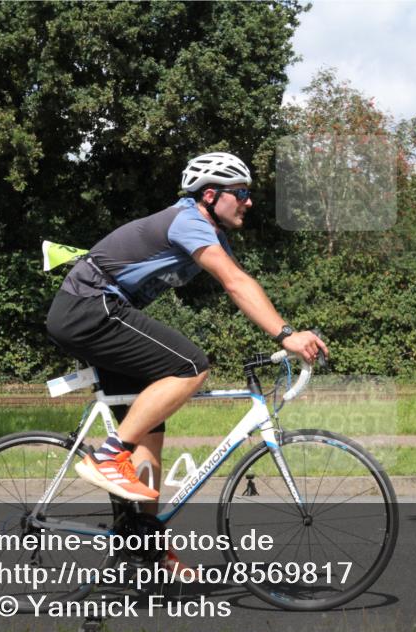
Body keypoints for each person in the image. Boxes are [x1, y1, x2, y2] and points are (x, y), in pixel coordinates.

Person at [46, 151, 328, 511]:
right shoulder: (187, 221)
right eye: (241, 193)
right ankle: (108, 457)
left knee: (149, 429)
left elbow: (241, 285)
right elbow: (235, 283)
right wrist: (287, 335)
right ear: (210, 195)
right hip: (89, 307)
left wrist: (280, 332)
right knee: (191, 365)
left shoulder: (207, 232)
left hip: (92, 310)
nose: (249, 202)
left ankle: (143, 539)